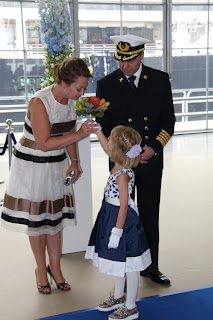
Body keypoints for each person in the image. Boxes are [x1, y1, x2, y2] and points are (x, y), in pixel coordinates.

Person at [1, 57, 98, 294]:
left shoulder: (71, 100)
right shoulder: (39, 102)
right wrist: (80, 134)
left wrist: (74, 161)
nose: (82, 93)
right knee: (38, 221)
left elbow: (68, 132)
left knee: (54, 219)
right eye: (79, 88)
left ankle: (55, 267)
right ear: (64, 83)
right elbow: (44, 143)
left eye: (85, 88)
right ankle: (40, 269)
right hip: (32, 166)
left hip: (56, 165)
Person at [96, 34, 176, 286]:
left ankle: (151, 267)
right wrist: (124, 153)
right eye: (120, 60)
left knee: (150, 212)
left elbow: (168, 120)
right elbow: (104, 124)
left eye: (130, 60)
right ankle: (122, 264)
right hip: (121, 165)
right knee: (121, 213)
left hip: (150, 160)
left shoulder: (160, 80)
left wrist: (152, 148)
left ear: (141, 55)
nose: (124, 66)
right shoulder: (106, 84)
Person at [85, 125, 151, 320]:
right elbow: (107, 148)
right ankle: (118, 296)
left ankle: (130, 305)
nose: (108, 143)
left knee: (129, 264)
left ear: (118, 149)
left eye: (111, 140)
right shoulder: (118, 161)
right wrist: (97, 130)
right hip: (110, 215)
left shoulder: (122, 174)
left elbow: (123, 206)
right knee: (118, 261)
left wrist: (117, 231)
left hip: (121, 222)